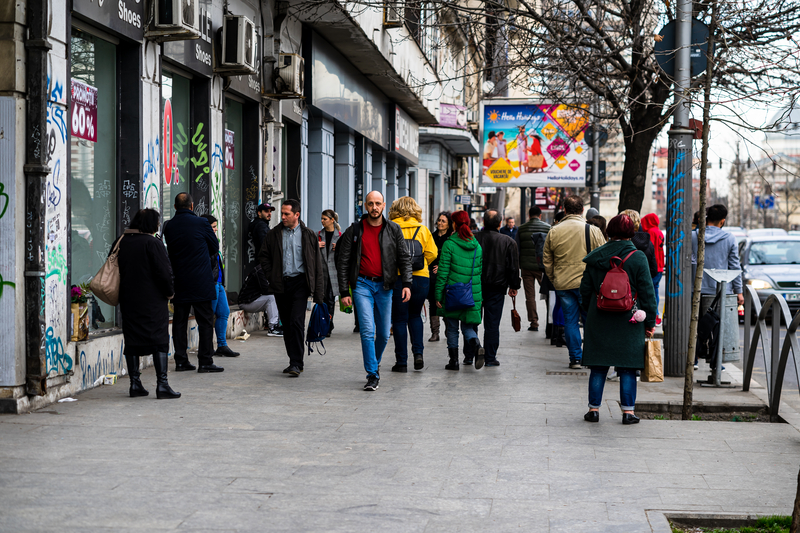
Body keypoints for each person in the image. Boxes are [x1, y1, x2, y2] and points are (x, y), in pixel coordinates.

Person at [580, 214, 657, 424]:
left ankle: (593, 410)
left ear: (609, 232)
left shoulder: (596, 257)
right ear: (631, 233)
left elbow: (585, 289)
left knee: (598, 366)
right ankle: (628, 413)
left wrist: (589, 311)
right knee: (628, 367)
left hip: (599, 318)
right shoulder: (638, 257)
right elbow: (647, 293)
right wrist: (650, 322)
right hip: (629, 320)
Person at [338, 191, 412, 391]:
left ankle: (374, 362)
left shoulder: (393, 229)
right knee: (367, 330)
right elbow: (343, 262)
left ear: (384, 205)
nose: (374, 207)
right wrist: (344, 291)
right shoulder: (355, 230)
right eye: (370, 203)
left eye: (378, 203)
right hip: (362, 285)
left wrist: (407, 283)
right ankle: (372, 374)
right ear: (365, 206)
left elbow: (404, 258)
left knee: (384, 334)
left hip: (385, 286)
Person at [117, 209, 180, 399]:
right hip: (152, 301)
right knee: (159, 340)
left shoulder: (122, 241)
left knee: (132, 340)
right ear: (151, 224)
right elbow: (164, 273)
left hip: (129, 299)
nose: (159, 225)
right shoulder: (152, 243)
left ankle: (135, 384)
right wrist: (170, 293)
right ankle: (162, 384)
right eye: (157, 222)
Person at [258, 199, 325, 376]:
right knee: (287, 324)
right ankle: (293, 361)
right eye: (282, 213)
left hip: (300, 284)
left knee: (296, 321)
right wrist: (271, 275)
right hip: (281, 284)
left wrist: (319, 293)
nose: (283, 217)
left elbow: (317, 265)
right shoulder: (274, 234)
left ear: (297, 215)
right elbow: (263, 256)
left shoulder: (309, 235)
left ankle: (296, 362)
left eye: (286, 214)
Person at [162, 192, 224, 374]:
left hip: (179, 280)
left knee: (179, 321)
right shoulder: (202, 223)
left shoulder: (169, 226)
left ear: (175, 207)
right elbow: (214, 247)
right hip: (200, 280)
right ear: (192, 206)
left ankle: (181, 361)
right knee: (205, 321)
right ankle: (205, 361)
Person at [543, 196, 605, 368]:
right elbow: (603, 257)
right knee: (589, 321)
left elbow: (547, 260)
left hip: (563, 283)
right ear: (582, 210)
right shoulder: (593, 230)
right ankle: (591, 356)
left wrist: (555, 278)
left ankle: (575, 358)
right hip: (587, 284)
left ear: (564, 210)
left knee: (570, 321)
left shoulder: (554, 231)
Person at [389, 197, 438, 372]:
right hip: (420, 277)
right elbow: (432, 254)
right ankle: (418, 354)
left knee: (399, 319)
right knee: (415, 316)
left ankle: (401, 362)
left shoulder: (390, 228)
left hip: (398, 277)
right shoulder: (423, 229)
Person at [435, 210, 484, 371]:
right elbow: (479, 272)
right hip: (471, 294)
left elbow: (442, 273)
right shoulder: (476, 246)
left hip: (452, 294)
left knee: (452, 328)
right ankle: (477, 345)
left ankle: (454, 361)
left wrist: (438, 295)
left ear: (454, 224)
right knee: (468, 327)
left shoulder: (449, 244)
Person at [475, 209, 520, 366]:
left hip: (475, 286)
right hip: (497, 287)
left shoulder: (474, 238)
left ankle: (470, 353)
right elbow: (513, 267)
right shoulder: (508, 242)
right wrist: (514, 286)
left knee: (472, 320)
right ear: (500, 223)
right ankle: (490, 357)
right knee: (492, 323)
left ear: (484, 222)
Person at [200, 214, 239, 358]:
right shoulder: (203, 242)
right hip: (211, 283)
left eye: (216, 226)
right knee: (208, 316)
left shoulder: (213, 241)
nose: (216, 229)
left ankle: (222, 345)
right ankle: (207, 347)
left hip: (219, 283)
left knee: (224, 312)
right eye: (213, 227)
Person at [691, 204, 744, 303]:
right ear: (722, 221)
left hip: (695, 290)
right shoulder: (730, 239)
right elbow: (734, 267)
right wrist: (739, 291)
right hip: (721, 292)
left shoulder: (693, 236)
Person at [249, 203, 282, 337]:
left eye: (270, 211)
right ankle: (273, 325)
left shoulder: (260, 225)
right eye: (266, 211)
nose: (269, 214)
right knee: (271, 293)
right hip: (264, 266)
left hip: (260, 265)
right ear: (259, 213)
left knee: (269, 293)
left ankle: (271, 322)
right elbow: (266, 246)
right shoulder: (261, 226)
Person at [516, 206, 551, 331]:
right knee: (548, 294)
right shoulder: (548, 228)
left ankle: (534, 323)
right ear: (540, 215)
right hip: (543, 267)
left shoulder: (521, 229)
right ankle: (550, 321)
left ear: (529, 215)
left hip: (526, 267)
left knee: (530, 296)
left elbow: (517, 249)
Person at [428, 211, 453, 342]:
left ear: (448, 224)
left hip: (446, 275)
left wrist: (442, 267)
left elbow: (453, 257)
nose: (440, 223)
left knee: (445, 302)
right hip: (432, 275)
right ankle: (435, 332)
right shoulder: (431, 236)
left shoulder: (451, 238)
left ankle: (448, 329)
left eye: (443, 221)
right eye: (439, 220)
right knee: (433, 302)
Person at [318, 209, 341, 337]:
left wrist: (339, 248)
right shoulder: (318, 235)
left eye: (325, 219)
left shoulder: (340, 236)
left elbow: (346, 255)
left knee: (330, 300)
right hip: (321, 273)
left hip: (333, 273)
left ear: (332, 220)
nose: (322, 221)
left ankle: (328, 325)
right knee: (322, 300)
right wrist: (316, 246)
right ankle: (324, 324)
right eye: (321, 219)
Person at [641, 213, 665, 324]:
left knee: (651, 293)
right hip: (660, 266)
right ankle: (656, 314)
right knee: (655, 290)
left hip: (653, 267)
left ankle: (654, 315)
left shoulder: (650, 232)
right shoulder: (659, 232)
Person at [622, 209, 658, 278]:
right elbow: (653, 270)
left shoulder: (620, 242)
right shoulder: (648, 243)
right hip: (642, 282)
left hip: (622, 283)